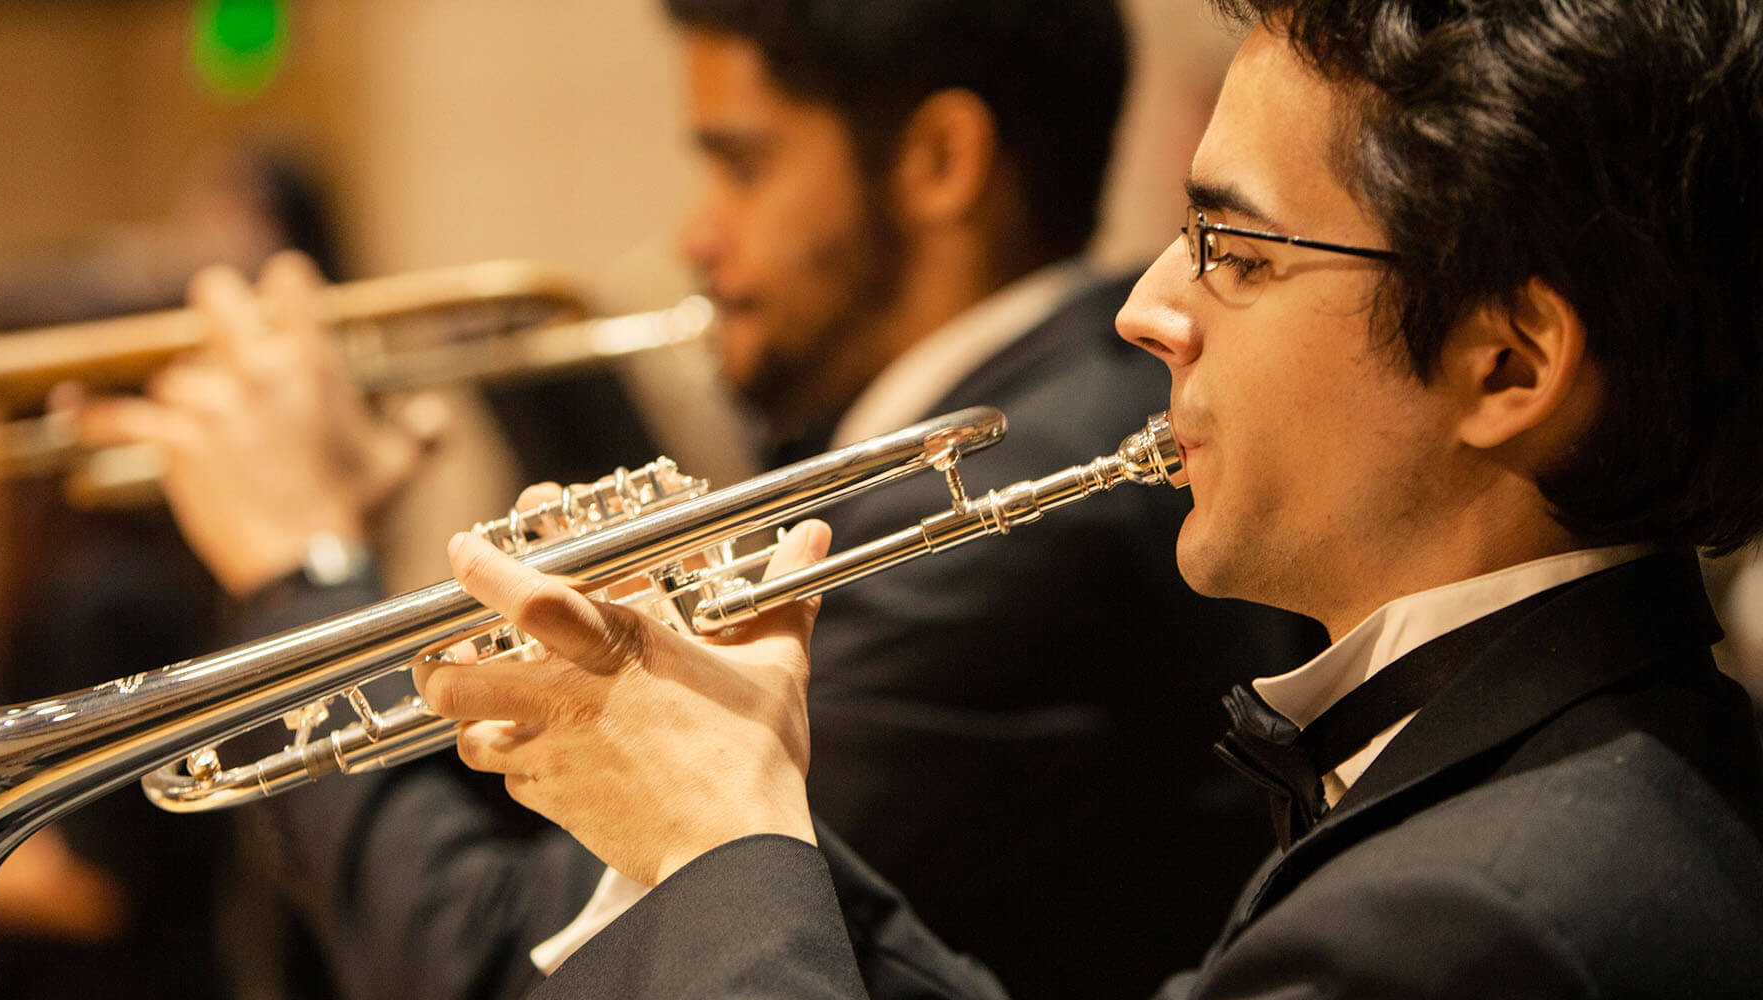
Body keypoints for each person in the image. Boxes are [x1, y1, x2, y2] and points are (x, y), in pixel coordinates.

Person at [419, 0, 1763, 996]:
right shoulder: (1597, 757)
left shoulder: (1466, 927)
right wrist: (740, 804)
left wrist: (721, 844)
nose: (1145, 309)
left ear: (1507, 362)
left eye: (1233, 250)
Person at [77, 2, 1319, 997]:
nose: (696, 235)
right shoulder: (980, 436)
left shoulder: (1015, 506)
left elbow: (529, 958)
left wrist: (296, 568)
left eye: (741, 163)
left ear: (940, 161)